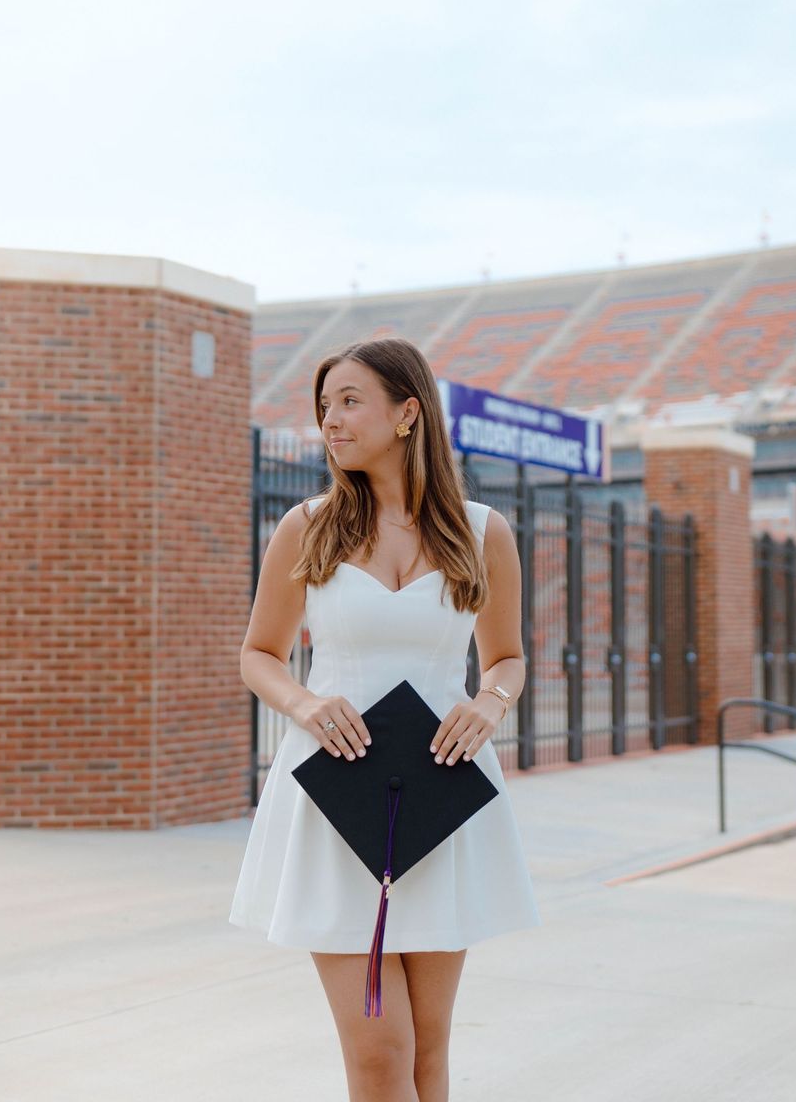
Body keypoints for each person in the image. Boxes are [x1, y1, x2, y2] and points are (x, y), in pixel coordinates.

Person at [230, 336, 540, 1102]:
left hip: (442, 800)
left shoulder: (483, 532)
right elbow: (259, 654)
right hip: (337, 805)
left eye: (349, 401)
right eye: (325, 406)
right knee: (379, 1057)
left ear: (408, 413)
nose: (330, 421)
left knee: (429, 1057)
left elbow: (507, 658)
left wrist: (488, 704)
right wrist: (305, 702)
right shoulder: (307, 527)